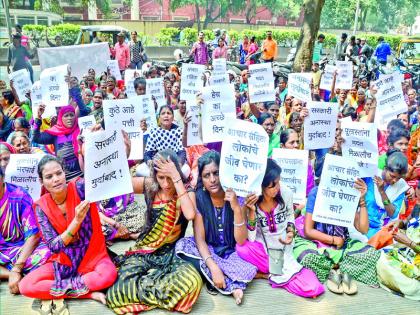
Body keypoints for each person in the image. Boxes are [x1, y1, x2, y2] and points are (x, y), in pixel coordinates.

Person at [106, 150, 202, 314]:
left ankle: (143, 287)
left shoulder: (186, 192)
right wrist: (123, 150)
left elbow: (190, 214)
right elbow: (117, 182)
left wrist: (177, 179)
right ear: (154, 176)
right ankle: (157, 288)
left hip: (170, 254)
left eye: (169, 177)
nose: (166, 184)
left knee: (193, 281)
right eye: (161, 178)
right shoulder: (150, 186)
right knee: (116, 289)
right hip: (144, 250)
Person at [19, 155, 117, 305]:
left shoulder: (81, 188)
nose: (56, 179)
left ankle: (66, 288)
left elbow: (106, 177)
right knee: (26, 286)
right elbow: (54, 246)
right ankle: (86, 293)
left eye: (59, 173)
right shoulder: (41, 207)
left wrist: (122, 151)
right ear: (41, 181)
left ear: (65, 173)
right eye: (49, 176)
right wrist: (76, 221)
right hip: (65, 261)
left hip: (93, 254)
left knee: (108, 275)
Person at [175, 151, 257, 304]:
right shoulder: (199, 197)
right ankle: (229, 283)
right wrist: (213, 267)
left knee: (249, 265)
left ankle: (217, 281)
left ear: (224, 173)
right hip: (209, 250)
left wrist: (237, 209)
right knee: (182, 247)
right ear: (202, 178)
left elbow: (240, 240)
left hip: (233, 253)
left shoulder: (238, 194)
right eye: (207, 175)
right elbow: (199, 240)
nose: (212, 180)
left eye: (216, 173)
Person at [237, 159, 324, 298]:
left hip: (285, 245)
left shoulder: (286, 193)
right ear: (262, 187)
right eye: (273, 185)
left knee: (313, 288)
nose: (278, 187)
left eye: (278, 182)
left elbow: (290, 216)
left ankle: (270, 273)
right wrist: (252, 211)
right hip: (264, 248)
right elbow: (252, 237)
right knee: (242, 249)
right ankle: (271, 272)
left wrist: (290, 233)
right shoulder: (252, 200)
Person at [293, 177, 381, 293]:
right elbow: (308, 231)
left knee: (371, 254)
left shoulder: (349, 194)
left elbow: (363, 229)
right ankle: (338, 269)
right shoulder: (316, 192)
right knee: (306, 257)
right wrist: (333, 240)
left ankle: (335, 267)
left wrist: (362, 200)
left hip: (342, 246)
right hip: (316, 243)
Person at [0, 166, 50, 295]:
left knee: (48, 254)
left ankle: (15, 273)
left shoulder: (19, 195)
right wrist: (14, 272)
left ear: (3, 178)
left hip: (23, 249)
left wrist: (17, 267)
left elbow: (33, 236)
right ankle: (10, 274)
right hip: (2, 254)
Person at [364, 151, 409, 238]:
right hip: (359, 224)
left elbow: (392, 214)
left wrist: (382, 192)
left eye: (398, 178)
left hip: (380, 229)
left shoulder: (401, 186)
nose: (394, 181)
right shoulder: (370, 175)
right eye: (392, 176)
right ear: (385, 169)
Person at [33, 105, 84, 182]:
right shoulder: (55, 133)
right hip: (64, 179)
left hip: (82, 175)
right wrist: (38, 119)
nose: (69, 118)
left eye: (71, 115)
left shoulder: (81, 130)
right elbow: (36, 138)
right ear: (60, 118)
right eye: (66, 116)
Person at [137, 106, 188, 177]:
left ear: (173, 118)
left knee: (186, 170)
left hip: (174, 164)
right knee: (139, 170)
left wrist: (178, 166)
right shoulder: (154, 132)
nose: (166, 115)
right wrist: (150, 163)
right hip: (157, 164)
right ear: (159, 118)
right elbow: (147, 153)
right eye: (163, 113)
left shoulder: (179, 130)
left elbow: (181, 152)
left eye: (169, 113)